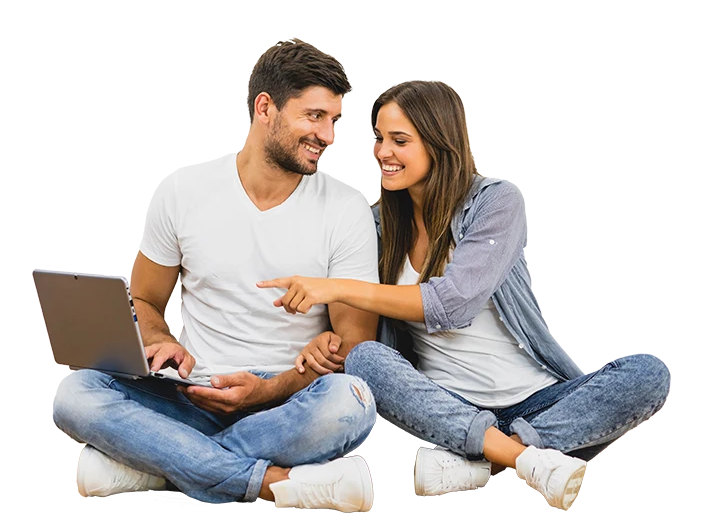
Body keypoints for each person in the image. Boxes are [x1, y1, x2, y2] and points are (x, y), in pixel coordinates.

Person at [258, 79, 672, 512]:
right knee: (365, 359)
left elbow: (452, 304)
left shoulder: (495, 204)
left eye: (400, 140)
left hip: (535, 403)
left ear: (440, 143)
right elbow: (358, 329)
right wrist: (321, 338)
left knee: (647, 374)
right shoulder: (377, 225)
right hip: (444, 406)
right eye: (379, 138)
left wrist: (334, 287)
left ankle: (483, 457)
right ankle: (522, 459)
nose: (382, 152)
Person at [52, 38, 381, 512]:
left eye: (334, 120)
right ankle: (271, 481)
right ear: (264, 107)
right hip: (192, 392)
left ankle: (151, 467)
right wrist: (160, 339)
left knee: (352, 401)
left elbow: (352, 345)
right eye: (314, 116)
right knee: (74, 393)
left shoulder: (345, 210)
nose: (328, 136)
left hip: (289, 400)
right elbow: (144, 300)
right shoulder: (185, 191)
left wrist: (270, 388)